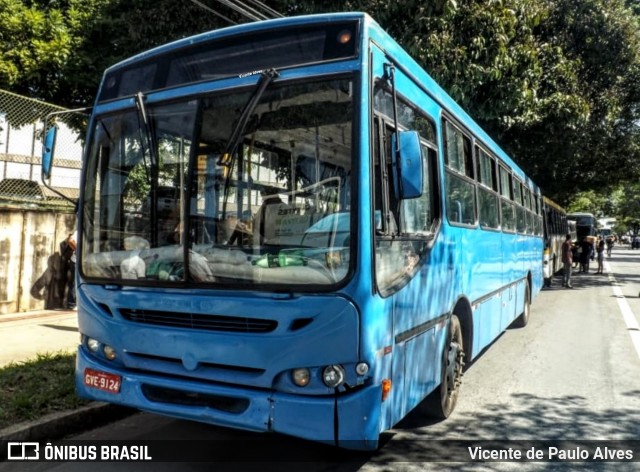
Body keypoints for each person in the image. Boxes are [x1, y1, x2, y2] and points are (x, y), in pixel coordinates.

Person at [63, 232, 77, 309]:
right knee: (74, 282)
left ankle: (73, 303)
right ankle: (71, 303)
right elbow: (70, 240)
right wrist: (78, 249)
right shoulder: (79, 231)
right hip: (75, 262)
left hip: (80, 262)